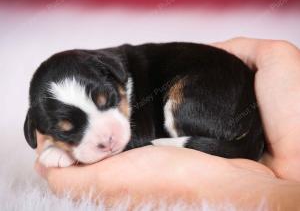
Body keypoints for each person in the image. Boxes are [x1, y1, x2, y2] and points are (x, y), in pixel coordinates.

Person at [34, 37, 300, 209]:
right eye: (71, 133)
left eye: (108, 103)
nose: (106, 137)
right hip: (240, 132)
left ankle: (226, 145)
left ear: (115, 75)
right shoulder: (112, 73)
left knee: (182, 99)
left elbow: (140, 138)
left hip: (214, 91)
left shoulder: (128, 68)